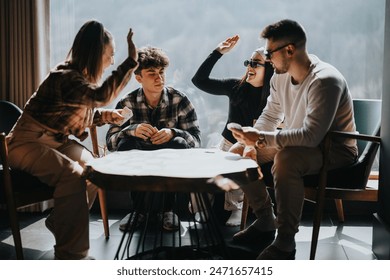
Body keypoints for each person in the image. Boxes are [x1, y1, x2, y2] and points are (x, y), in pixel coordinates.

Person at [5, 20, 138, 259]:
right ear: (96, 53)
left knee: (95, 168)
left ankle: (61, 222)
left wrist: (108, 116)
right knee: (73, 175)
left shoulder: (79, 80)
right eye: (110, 55)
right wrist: (130, 62)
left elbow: (83, 110)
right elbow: (100, 96)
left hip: (55, 140)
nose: (111, 62)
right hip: (25, 143)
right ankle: (71, 255)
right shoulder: (66, 77)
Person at [227, 19, 358, 260]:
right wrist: (252, 142)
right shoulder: (280, 76)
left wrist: (263, 138)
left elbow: (311, 136)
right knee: (237, 152)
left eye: (269, 53)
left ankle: (285, 241)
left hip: (334, 150)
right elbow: (271, 115)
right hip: (300, 144)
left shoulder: (325, 81)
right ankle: (266, 219)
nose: (267, 59)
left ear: (289, 50)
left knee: (287, 158)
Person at [106, 46, 201, 231]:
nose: (160, 78)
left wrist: (174, 133)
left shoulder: (179, 100)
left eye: (162, 72)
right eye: (152, 73)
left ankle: (168, 210)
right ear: (139, 78)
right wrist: (131, 130)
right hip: (139, 160)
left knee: (179, 143)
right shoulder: (127, 103)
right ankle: (139, 211)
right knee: (127, 143)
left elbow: (197, 142)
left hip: (170, 160)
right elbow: (111, 143)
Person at [191, 35, 274, 226]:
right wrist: (217, 53)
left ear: (269, 68)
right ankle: (201, 207)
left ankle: (237, 207)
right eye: (248, 62)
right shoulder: (236, 87)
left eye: (256, 63)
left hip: (258, 145)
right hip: (227, 142)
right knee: (198, 163)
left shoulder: (274, 96)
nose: (250, 67)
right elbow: (199, 80)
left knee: (240, 159)